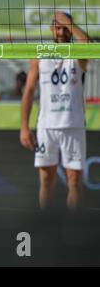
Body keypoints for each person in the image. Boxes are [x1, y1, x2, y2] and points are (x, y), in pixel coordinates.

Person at [20, 11, 90, 210]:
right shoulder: (40, 54)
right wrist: (24, 127)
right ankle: (46, 227)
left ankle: (74, 228)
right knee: (46, 179)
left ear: (70, 29)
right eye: (57, 27)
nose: (61, 31)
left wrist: (68, 21)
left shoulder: (79, 54)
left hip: (73, 124)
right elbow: (29, 91)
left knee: (74, 181)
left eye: (65, 28)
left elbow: (85, 41)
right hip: (47, 125)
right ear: (51, 29)